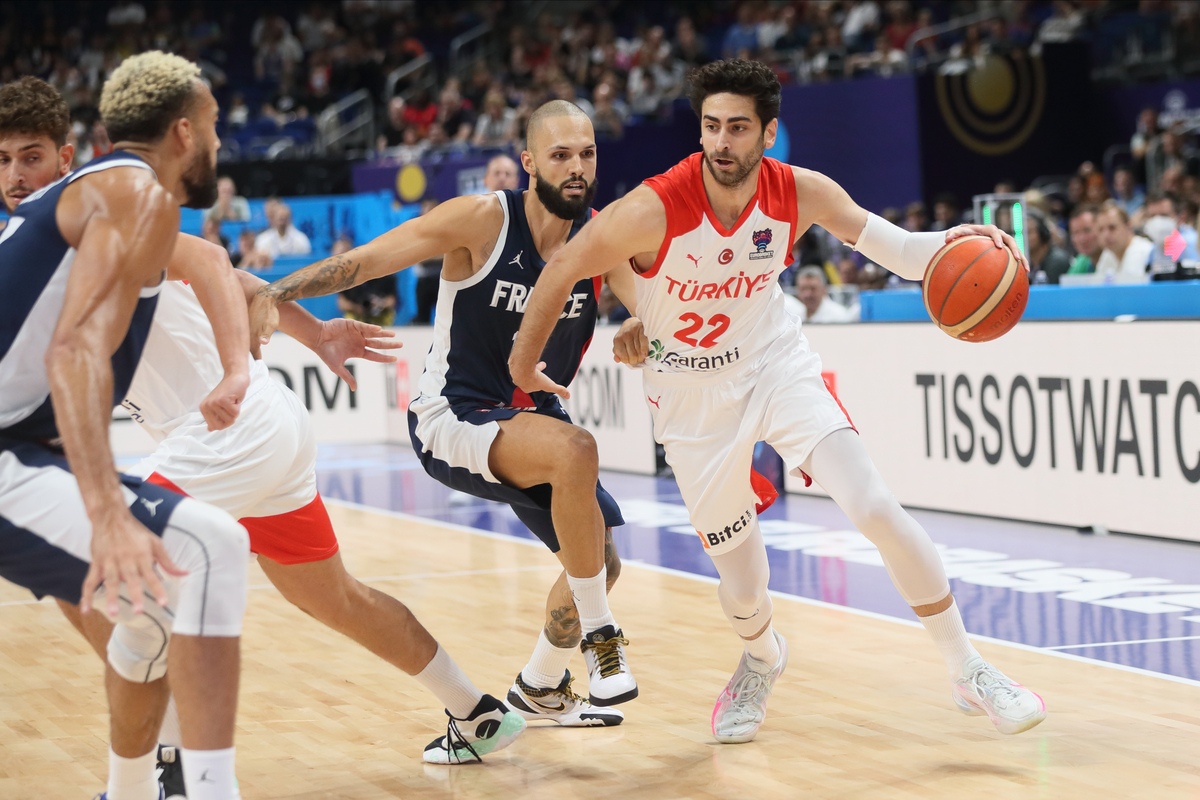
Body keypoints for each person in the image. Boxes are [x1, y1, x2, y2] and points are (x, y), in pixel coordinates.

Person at [509, 59, 1046, 745]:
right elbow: (563, 266)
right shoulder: (654, 207)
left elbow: (906, 251)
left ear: (768, 132)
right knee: (743, 584)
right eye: (711, 126)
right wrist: (524, 361)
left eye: (738, 127)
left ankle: (967, 668)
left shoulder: (801, 192)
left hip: (774, 366)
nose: (721, 141)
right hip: (690, 402)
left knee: (873, 504)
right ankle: (762, 658)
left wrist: (970, 241)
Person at [4, 76, 527, 777]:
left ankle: (168, 761)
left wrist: (237, 369)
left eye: (31, 156)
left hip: (230, 430)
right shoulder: (43, 240)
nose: (16, 174)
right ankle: (477, 711)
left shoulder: (98, 208)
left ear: (65, 157)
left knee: (101, 565)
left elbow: (212, 262)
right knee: (338, 598)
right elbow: (241, 284)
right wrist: (317, 334)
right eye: (3, 159)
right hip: (255, 432)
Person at [249, 100, 640, 727]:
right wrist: (273, 293)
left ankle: (539, 687)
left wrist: (641, 324)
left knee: (602, 560)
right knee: (577, 451)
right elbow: (369, 260)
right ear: (529, 162)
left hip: (531, 415)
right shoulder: (482, 220)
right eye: (561, 155)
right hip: (453, 414)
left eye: (587, 154)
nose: (576, 167)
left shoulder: (600, 236)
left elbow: (647, 302)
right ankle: (602, 637)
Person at [0, 58, 251, 800]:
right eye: (213, 126)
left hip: (20, 449)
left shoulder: (113, 194)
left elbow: (218, 269)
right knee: (207, 549)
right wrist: (108, 512)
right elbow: (74, 351)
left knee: (151, 605)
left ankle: (131, 792)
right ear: (185, 132)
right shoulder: (135, 193)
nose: (217, 143)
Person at [336, 235, 399, 326]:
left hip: (380, 315)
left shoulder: (387, 276)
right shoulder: (348, 277)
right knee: (350, 317)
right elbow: (342, 303)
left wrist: (380, 304)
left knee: (387, 315)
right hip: (356, 314)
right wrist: (357, 308)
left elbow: (392, 301)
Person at [1095, 200, 1153, 279]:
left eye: (1112, 228)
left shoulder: (1142, 250)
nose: (1105, 235)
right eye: (1101, 230)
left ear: (1128, 226)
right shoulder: (1108, 253)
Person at [792, 265, 857, 322]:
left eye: (813, 289)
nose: (807, 294)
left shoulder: (839, 316)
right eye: (803, 289)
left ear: (824, 289)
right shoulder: (794, 315)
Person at [1026, 210, 1072, 284]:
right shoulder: (1028, 262)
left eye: (1028, 232)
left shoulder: (1058, 262)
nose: (1023, 237)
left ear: (1042, 233)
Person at [1065, 203, 1102, 275]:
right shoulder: (1082, 260)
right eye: (1076, 233)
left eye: (1087, 230)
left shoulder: (1114, 258)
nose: (1082, 239)